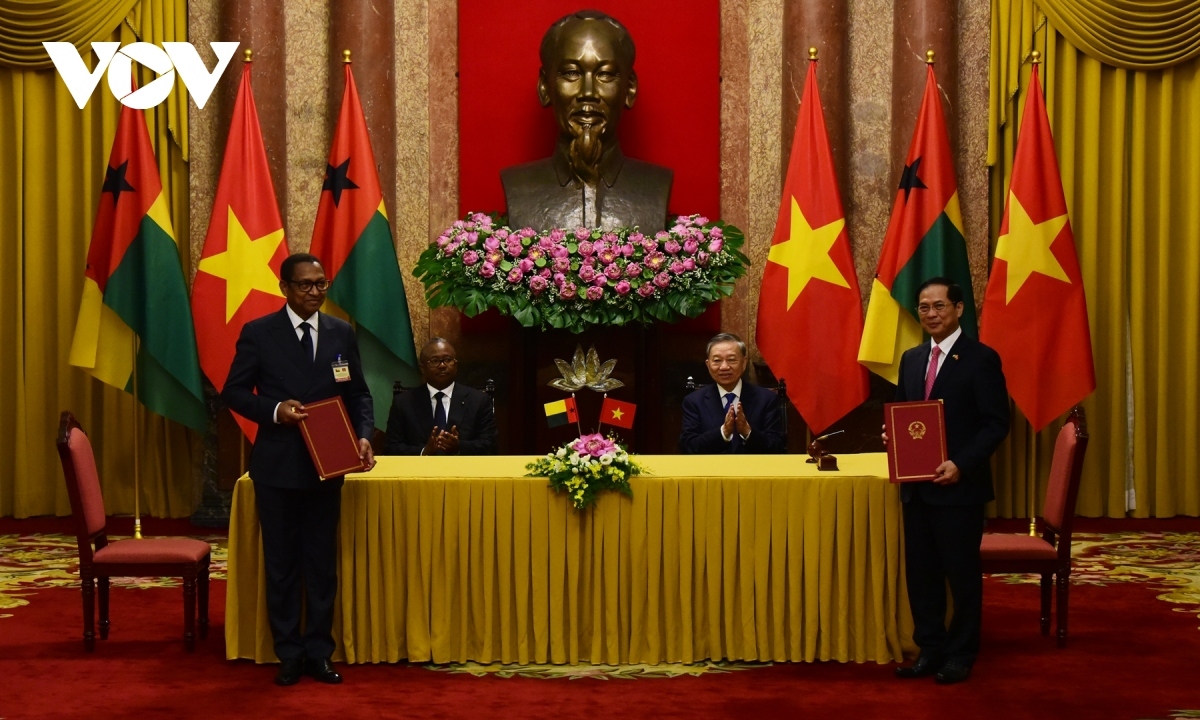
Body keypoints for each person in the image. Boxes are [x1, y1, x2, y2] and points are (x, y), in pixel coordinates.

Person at [223, 253, 375, 687]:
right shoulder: (259, 333)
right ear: (284, 287)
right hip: (278, 468)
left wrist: (364, 434)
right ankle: (287, 652)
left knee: (321, 564)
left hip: (329, 465)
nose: (314, 292)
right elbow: (234, 391)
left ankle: (319, 653)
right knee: (283, 564)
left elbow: (359, 394)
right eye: (305, 285)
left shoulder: (341, 332)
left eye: (321, 284)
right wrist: (273, 409)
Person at [889, 277, 1009, 685]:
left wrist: (961, 462)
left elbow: (996, 424)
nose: (931, 314)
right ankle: (930, 649)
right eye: (924, 307)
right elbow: (910, 419)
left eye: (939, 306)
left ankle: (960, 653)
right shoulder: (910, 358)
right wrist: (894, 436)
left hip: (959, 488)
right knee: (921, 574)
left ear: (958, 309)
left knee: (960, 574)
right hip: (916, 487)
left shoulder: (981, 358)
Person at [501, 9, 673, 231]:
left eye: (605, 74)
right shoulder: (518, 186)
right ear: (545, 86)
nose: (588, 92)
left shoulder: (656, 185)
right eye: (572, 73)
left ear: (629, 88)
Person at [383, 337, 498, 456]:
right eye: (434, 361)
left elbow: (490, 445)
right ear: (423, 368)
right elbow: (391, 447)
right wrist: (423, 452)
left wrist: (459, 447)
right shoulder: (403, 402)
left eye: (448, 360)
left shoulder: (479, 400)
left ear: (456, 365)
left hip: (464, 470)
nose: (442, 365)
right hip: (420, 471)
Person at [679, 333, 786, 454]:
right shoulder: (694, 401)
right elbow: (687, 447)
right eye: (717, 361)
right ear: (708, 365)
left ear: (744, 362)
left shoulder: (767, 399)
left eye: (731, 360)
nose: (724, 367)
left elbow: (778, 447)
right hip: (712, 470)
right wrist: (723, 432)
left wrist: (747, 432)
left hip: (753, 470)